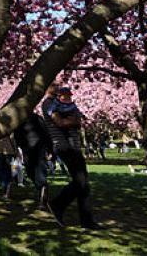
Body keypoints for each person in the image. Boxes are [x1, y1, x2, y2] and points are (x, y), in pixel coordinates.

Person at [43, 85, 101, 230]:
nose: (58, 88)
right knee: (81, 180)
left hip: (73, 145)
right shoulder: (49, 103)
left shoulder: (61, 104)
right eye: (54, 85)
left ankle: (86, 220)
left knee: (84, 182)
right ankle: (57, 204)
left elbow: (76, 120)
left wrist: (75, 120)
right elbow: (60, 122)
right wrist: (74, 120)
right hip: (64, 146)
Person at [14, 109, 52, 208]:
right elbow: (17, 135)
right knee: (32, 170)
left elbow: (46, 133)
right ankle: (42, 186)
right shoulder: (22, 120)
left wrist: (50, 149)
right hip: (30, 148)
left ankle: (42, 186)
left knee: (36, 169)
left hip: (37, 148)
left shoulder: (36, 119)